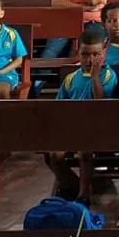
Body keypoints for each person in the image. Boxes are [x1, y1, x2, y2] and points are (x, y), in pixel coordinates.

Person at [47, 30, 115, 200]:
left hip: (98, 128)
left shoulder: (107, 75)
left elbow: (101, 102)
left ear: (103, 53)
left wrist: (94, 78)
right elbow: (60, 106)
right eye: (85, 54)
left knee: (84, 152)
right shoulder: (71, 78)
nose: (90, 60)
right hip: (73, 126)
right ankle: (71, 184)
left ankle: (83, 194)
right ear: (78, 52)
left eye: (95, 54)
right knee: (54, 155)